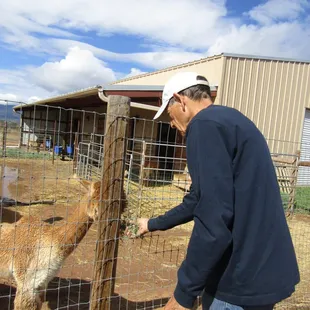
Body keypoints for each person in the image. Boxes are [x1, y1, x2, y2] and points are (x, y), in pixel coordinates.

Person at [131, 71, 300, 310]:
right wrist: (153, 223)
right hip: (263, 270)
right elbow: (199, 199)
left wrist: (184, 293)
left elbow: (213, 217)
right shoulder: (231, 120)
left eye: (169, 113)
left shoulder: (203, 126)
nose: (171, 123)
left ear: (181, 101)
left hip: (236, 278)